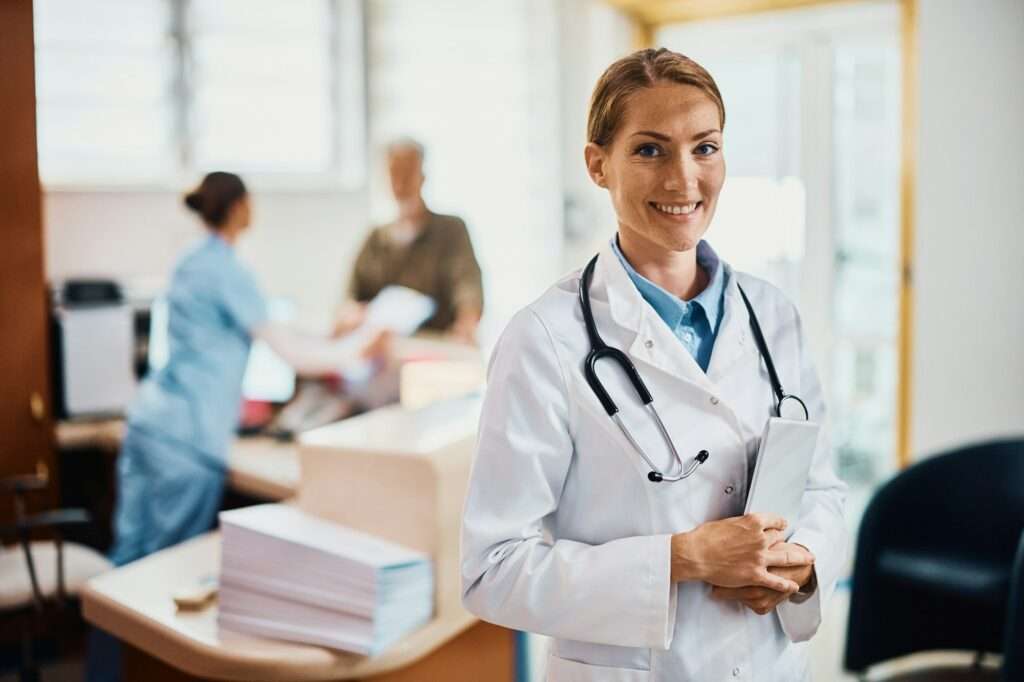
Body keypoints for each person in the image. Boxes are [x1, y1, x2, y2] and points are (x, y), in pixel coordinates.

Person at [460, 49, 846, 681]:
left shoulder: (774, 316)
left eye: (705, 147)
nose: (684, 179)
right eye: (649, 149)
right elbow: (491, 570)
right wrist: (681, 559)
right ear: (597, 165)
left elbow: (823, 489)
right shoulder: (544, 340)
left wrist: (802, 559)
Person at [107, 172, 387, 567]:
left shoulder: (189, 260)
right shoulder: (228, 270)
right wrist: (359, 349)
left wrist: (334, 331)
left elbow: (270, 326)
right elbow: (290, 352)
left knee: (124, 565)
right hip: (188, 442)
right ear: (239, 207)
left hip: (150, 426)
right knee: (158, 574)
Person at [335, 138, 484, 344]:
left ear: (422, 176)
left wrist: (466, 324)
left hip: (435, 344)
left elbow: (468, 286)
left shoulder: (451, 230)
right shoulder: (376, 238)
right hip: (382, 350)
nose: (400, 183)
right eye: (394, 173)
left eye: (408, 172)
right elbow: (349, 298)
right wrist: (351, 315)